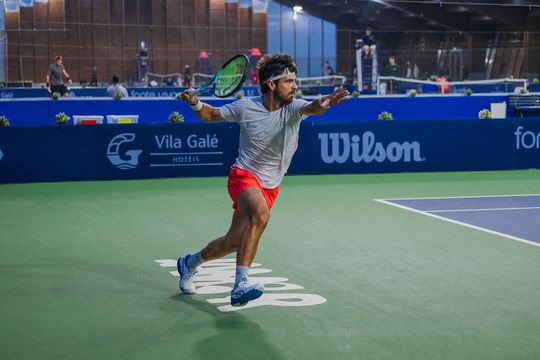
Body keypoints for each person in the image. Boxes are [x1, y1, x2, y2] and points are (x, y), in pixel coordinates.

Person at [176, 54, 349, 307]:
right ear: (271, 84)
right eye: (288, 81)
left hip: (270, 186)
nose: (295, 86)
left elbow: (315, 107)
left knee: (233, 242)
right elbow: (211, 115)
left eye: (295, 81)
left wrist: (328, 102)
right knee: (260, 217)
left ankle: (189, 263)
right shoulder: (245, 107)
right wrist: (194, 103)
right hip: (243, 176)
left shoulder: (294, 108)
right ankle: (240, 284)